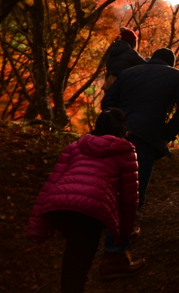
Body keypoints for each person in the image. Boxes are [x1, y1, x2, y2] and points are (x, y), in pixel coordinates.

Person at [27, 108, 144, 290]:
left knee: (76, 251)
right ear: (121, 127)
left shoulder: (75, 146)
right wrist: (123, 234)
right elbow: (129, 199)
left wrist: (36, 226)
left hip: (59, 206)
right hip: (91, 210)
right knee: (78, 261)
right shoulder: (125, 151)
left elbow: (51, 183)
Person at [101, 47, 179, 207]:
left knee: (110, 180)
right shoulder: (176, 75)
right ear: (171, 63)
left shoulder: (127, 73)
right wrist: (167, 132)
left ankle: (103, 219)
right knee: (136, 185)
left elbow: (107, 103)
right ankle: (126, 226)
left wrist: (116, 126)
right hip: (148, 135)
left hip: (118, 135)